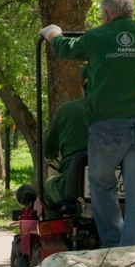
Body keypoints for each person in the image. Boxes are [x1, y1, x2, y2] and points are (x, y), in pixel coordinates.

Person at [42, 0, 135, 247]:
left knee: (100, 183)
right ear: (132, 11)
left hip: (109, 124)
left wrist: (53, 33)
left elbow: (66, 49)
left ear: (107, 14)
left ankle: (112, 245)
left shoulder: (96, 37)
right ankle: (131, 248)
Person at [42, 71, 89, 210]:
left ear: (81, 84)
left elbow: (49, 151)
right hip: (120, 186)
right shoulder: (121, 113)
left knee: (47, 188)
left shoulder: (66, 111)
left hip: (72, 186)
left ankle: (54, 230)